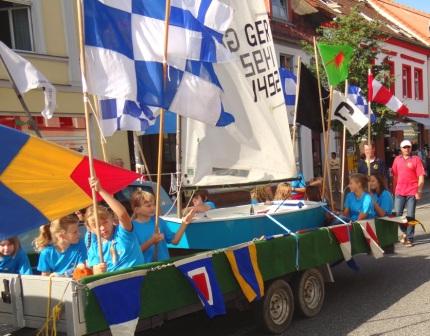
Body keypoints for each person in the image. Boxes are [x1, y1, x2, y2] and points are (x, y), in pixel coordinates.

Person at [86, 178, 144, 274]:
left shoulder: (122, 233)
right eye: (96, 226)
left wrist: (100, 190)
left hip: (135, 277)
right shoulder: (95, 247)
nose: (102, 228)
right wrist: (97, 270)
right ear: (90, 229)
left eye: (105, 222)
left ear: (111, 219)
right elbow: (95, 272)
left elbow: (122, 214)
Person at [130, 189, 195, 264]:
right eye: (148, 206)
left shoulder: (159, 221)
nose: (153, 207)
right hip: (145, 268)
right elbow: (133, 253)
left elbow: (175, 241)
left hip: (164, 264)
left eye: (154, 204)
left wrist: (184, 223)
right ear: (137, 210)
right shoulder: (131, 227)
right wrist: (151, 241)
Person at [392, 140, 425, 247]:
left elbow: (421, 176)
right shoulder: (397, 160)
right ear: (401, 149)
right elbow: (395, 176)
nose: (407, 149)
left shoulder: (416, 159)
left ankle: (410, 238)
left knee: (411, 216)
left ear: (411, 148)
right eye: (404, 147)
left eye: (408, 147)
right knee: (397, 215)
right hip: (399, 191)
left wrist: (419, 190)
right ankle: (405, 232)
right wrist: (393, 189)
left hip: (412, 191)